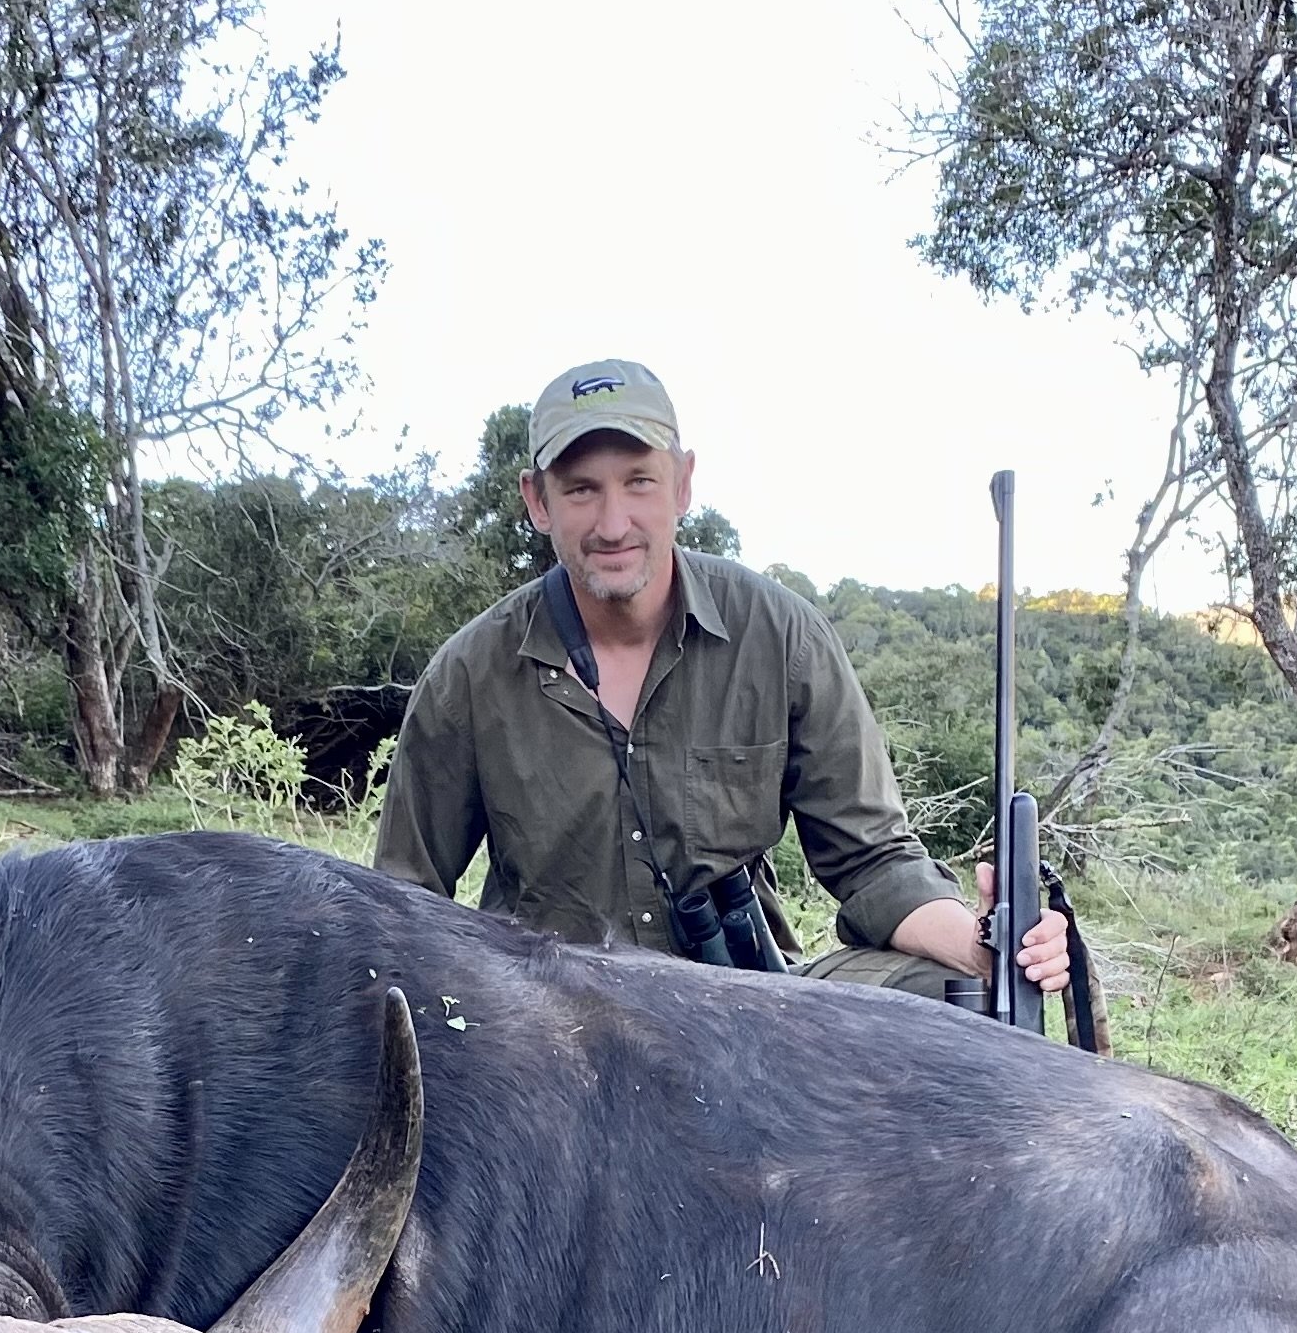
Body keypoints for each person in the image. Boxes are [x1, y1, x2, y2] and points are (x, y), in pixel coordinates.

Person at [375, 358, 1070, 1004]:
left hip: (746, 1012)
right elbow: (399, 907)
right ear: (538, 501)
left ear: (682, 483)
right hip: (550, 1033)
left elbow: (874, 862)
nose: (613, 523)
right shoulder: (468, 675)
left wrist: (986, 944)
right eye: (582, 489)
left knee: (956, 994)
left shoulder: (782, 636)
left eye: (639, 481)